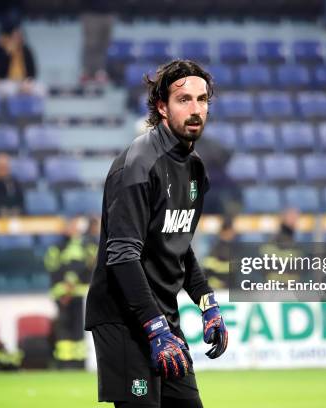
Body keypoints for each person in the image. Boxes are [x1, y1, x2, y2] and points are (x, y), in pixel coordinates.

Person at [85, 60, 227, 408]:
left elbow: (178, 245)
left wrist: (207, 302)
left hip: (162, 319)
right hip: (126, 320)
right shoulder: (139, 163)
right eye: (184, 100)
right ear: (162, 107)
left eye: (202, 99)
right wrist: (155, 327)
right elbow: (122, 255)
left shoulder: (194, 168)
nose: (195, 109)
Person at [44, 218, 93, 369]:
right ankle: (65, 362)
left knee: (79, 329)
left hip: (79, 294)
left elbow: (90, 265)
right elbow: (52, 268)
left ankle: (79, 362)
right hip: (62, 295)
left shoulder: (86, 245)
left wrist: (73, 284)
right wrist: (65, 288)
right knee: (64, 329)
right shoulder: (57, 247)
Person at [0, 24, 44, 97]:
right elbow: (0, 72)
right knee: (5, 90)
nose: (17, 39)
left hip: (25, 80)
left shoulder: (27, 51)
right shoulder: (4, 51)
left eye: (19, 37)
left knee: (40, 89)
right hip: (9, 81)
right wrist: (7, 54)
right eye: (15, 37)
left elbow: (33, 70)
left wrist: (28, 81)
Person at [202, 218, 236, 290]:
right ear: (223, 231)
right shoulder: (215, 250)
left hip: (232, 289)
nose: (232, 234)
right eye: (230, 231)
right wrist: (217, 284)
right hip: (218, 290)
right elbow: (207, 272)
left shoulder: (235, 248)